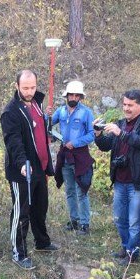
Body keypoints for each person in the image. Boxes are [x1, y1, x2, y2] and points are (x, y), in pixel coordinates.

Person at [0, 69, 59, 270]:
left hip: (40, 168)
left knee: (40, 207)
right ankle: (19, 252)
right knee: (21, 210)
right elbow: (13, 141)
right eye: (25, 88)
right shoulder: (10, 112)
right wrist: (22, 163)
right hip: (21, 171)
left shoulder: (37, 104)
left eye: (33, 87)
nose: (29, 91)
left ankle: (42, 242)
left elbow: (41, 134)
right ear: (17, 86)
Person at [94, 89, 140, 264]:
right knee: (120, 218)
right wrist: (98, 134)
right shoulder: (120, 123)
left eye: (131, 105)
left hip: (137, 182)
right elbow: (106, 146)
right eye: (125, 104)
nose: (126, 108)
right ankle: (125, 246)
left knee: (135, 221)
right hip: (119, 180)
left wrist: (121, 133)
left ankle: (132, 254)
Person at [50, 81, 95, 235]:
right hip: (65, 155)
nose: (74, 97)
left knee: (81, 190)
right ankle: (74, 220)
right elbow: (48, 124)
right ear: (66, 95)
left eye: (77, 95)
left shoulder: (86, 113)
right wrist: (47, 115)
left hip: (80, 156)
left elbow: (91, 134)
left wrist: (75, 143)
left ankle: (85, 224)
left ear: (80, 97)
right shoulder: (61, 111)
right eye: (71, 94)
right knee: (69, 189)